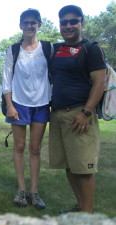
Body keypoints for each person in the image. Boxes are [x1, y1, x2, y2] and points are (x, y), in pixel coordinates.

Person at [49, 5, 106, 214]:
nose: (68, 25)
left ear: (81, 23)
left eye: (73, 21)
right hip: (57, 115)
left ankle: (87, 216)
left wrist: (86, 112)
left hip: (80, 115)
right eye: (64, 22)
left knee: (84, 169)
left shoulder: (91, 49)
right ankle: (80, 207)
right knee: (70, 166)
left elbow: (99, 82)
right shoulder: (56, 50)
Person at [2, 8, 51, 209]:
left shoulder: (48, 48)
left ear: (39, 25)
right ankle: (21, 190)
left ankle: (34, 192)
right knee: (19, 147)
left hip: (41, 104)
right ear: (20, 25)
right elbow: (6, 80)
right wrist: (10, 106)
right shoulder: (13, 50)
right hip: (19, 104)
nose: (30, 26)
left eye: (34, 22)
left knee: (35, 149)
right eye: (26, 22)